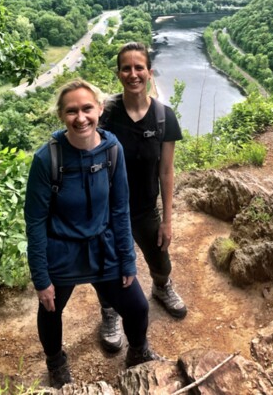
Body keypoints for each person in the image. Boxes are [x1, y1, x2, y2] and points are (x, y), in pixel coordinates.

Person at [24, 79, 161, 389]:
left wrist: (127, 259)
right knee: (50, 309)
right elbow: (34, 222)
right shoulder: (47, 160)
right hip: (62, 251)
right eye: (71, 111)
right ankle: (56, 362)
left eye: (87, 108)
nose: (81, 117)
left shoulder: (112, 150)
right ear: (61, 115)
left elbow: (119, 209)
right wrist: (41, 278)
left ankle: (138, 354)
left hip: (103, 247)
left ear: (100, 109)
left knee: (138, 307)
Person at [97, 42, 187, 354]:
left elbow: (166, 171)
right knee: (109, 266)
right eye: (126, 68)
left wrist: (168, 220)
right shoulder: (106, 114)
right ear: (119, 72)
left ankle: (161, 287)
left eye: (139, 67)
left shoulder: (164, 117)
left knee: (160, 257)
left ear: (149, 72)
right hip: (107, 210)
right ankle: (109, 311)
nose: (133, 74)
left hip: (145, 208)